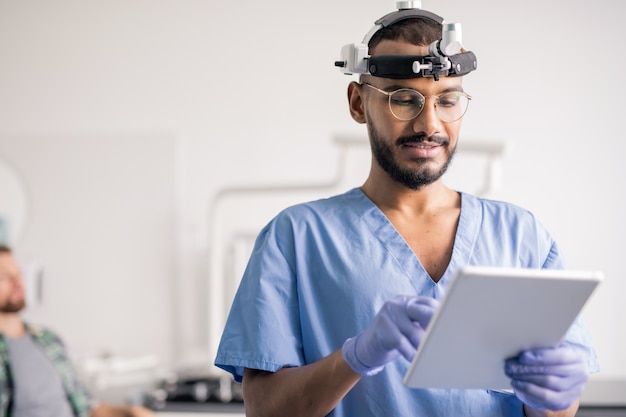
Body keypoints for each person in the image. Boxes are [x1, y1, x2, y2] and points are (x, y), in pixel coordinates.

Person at [214, 3, 598, 417]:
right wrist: (355, 358)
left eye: (447, 100)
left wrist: (555, 400)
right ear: (358, 103)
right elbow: (264, 409)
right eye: (404, 99)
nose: (428, 124)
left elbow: (557, 408)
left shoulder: (522, 236)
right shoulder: (296, 237)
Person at [0, 245, 155, 417]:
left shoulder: (48, 340)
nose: (18, 283)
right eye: (4, 276)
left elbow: (88, 407)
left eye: (19, 274)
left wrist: (131, 413)